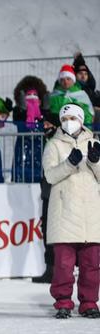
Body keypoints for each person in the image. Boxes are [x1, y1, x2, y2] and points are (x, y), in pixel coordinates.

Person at [42, 104, 100, 319]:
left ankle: (89, 303)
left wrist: (95, 162)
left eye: (72, 117)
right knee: (64, 266)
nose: (69, 121)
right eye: (65, 117)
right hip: (64, 213)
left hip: (90, 214)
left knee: (91, 265)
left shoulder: (94, 143)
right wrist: (69, 164)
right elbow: (50, 176)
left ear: (81, 119)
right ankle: (63, 302)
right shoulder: (53, 145)